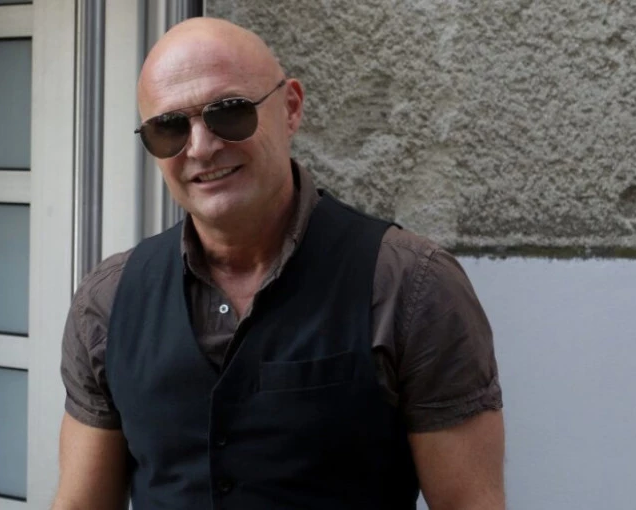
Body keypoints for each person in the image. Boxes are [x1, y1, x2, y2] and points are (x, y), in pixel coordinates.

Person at [52, 17, 504, 510]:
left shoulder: (411, 286)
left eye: (229, 112)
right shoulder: (108, 303)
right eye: (169, 128)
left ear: (290, 107)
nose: (200, 148)